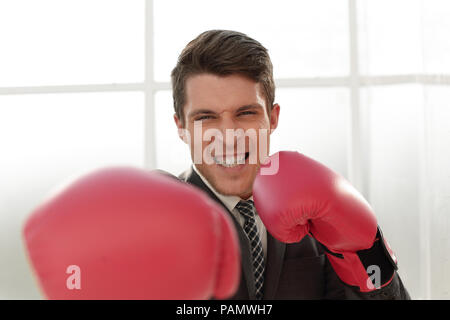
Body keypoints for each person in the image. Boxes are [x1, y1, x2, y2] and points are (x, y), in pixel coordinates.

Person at [171, 29, 410, 300]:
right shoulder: (163, 218)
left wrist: (366, 250)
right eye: (206, 118)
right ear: (181, 127)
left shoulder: (316, 212)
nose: (229, 139)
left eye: (246, 113)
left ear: (272, 118)